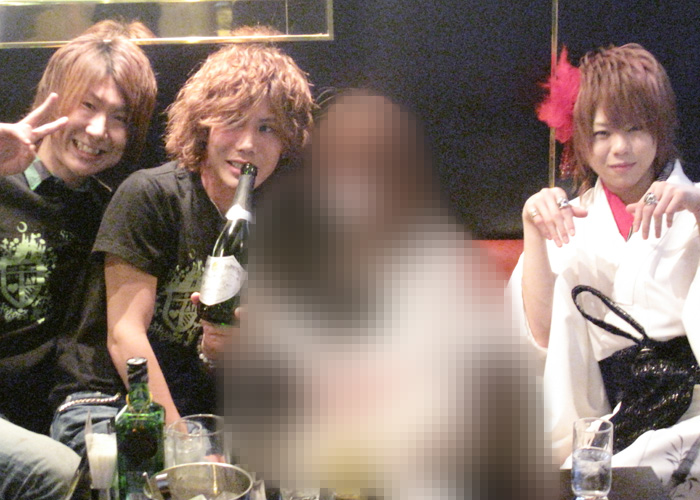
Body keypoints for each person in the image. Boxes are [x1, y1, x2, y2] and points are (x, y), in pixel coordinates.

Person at [226, 90, 557, 499]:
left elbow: (491, 408)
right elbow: (269, 420)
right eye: (338, 162)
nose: (353, 181)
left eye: (374, 162)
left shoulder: (442, 262)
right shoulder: (286, 263)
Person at [51, 31, 315, 455]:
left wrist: (233, 350)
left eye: (267, 127)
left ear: (287, 140)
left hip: (201, 410)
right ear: (203, 123)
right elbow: (124, 335)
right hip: (107, 401)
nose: (248, 144)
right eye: (233, 120)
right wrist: (183, 444)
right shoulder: (152, 195)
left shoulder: (282, 221)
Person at [508, 44, 700, 496]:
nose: (620, 148)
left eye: (636, 128)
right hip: (607, 421)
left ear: (659, 129)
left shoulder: (693, 206)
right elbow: (542, 338)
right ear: (579, 139)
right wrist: (532, 231)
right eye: (601, 133)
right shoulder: (569, 220)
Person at [0, 22, 157, 500]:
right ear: (52, 98)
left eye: (119, 118)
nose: (98, 130)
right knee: (58, 471)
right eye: (87, 105)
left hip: (60, 413)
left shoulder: (113, 211)